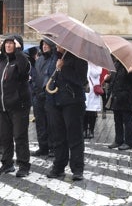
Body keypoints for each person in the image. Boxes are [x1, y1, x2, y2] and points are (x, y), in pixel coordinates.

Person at [45, 45, 88, 181]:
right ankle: (58, 166)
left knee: (74, 136)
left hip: (72, 101)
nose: (58, 46)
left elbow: (81, 80)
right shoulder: (55, 57)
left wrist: (63, 68)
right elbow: (49, 75)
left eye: (61, 44)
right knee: (58, 136)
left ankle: (77, 169)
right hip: (54, 100)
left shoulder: (80, 58)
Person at [0, 34, 32, 177]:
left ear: (17, 45)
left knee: (19, 136)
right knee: (5, 137)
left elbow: (24, 70)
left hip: (19, 106)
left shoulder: (22, 60)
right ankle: (7, 164)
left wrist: (19, 52)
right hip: (3, 107)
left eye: (11, 43)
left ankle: (24, 165)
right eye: (6, 43)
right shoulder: (2, 62)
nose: (8, 46)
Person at [106, 58, 132, 150]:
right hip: (116, 97)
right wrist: (108, 79)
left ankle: (129, 142)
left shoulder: (131, 64)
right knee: (117, 120)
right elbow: (115, 79)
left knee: (127, 120)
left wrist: (131, 72)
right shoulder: (116, 64)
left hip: (126, 97)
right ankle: (118, 140)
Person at [31, 39, 56, 156]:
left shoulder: (54, 59)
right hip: (37, 96)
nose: (45, 46)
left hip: (49, 96)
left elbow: (53, 77)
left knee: (51, 123)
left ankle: (52, 147)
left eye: (47, 44)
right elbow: (35, 76)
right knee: (40, 123)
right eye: (43, 44)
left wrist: (45, 91)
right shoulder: (39, 59)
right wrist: (36, 91)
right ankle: (43, 146)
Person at [84, 62, 102, 139]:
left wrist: (90, 65)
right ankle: (84, 130)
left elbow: (96, 73)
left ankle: (91, 130)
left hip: (93, 91)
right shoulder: (84, 62)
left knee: (92, 112)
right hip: (86, 90)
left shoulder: (96, 64)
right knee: (84, 112)